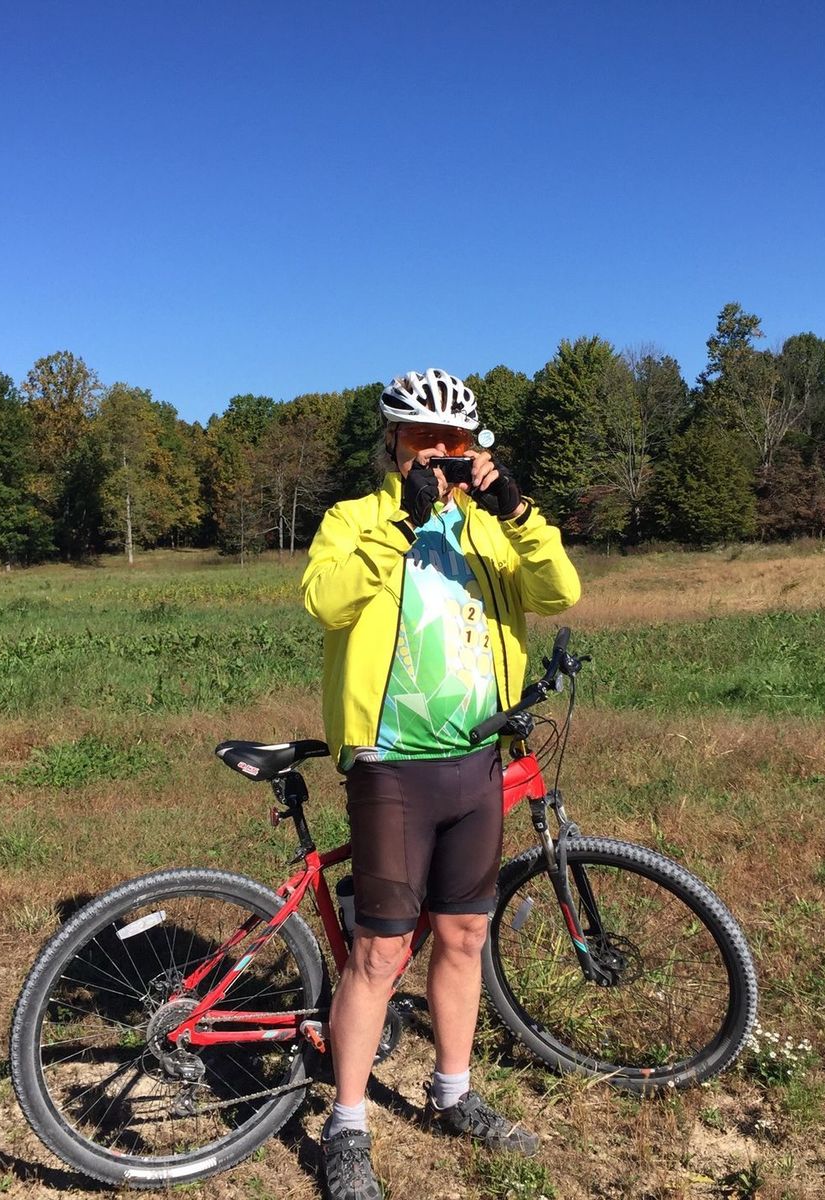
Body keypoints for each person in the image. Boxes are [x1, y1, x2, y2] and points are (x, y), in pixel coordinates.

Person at [301, 368, 580, 1200]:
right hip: (393, 764)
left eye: (452, 441)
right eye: (423, 439)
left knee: (463, 937)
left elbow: (560, 591)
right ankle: (347, 1124)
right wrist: (404, 518)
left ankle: (453, 1093)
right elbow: (326, 602)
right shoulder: (356, 519)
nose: (439, 453)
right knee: (380, 951)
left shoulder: (489, 530)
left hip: (476, 761)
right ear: (393, 443)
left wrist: (520, 514)